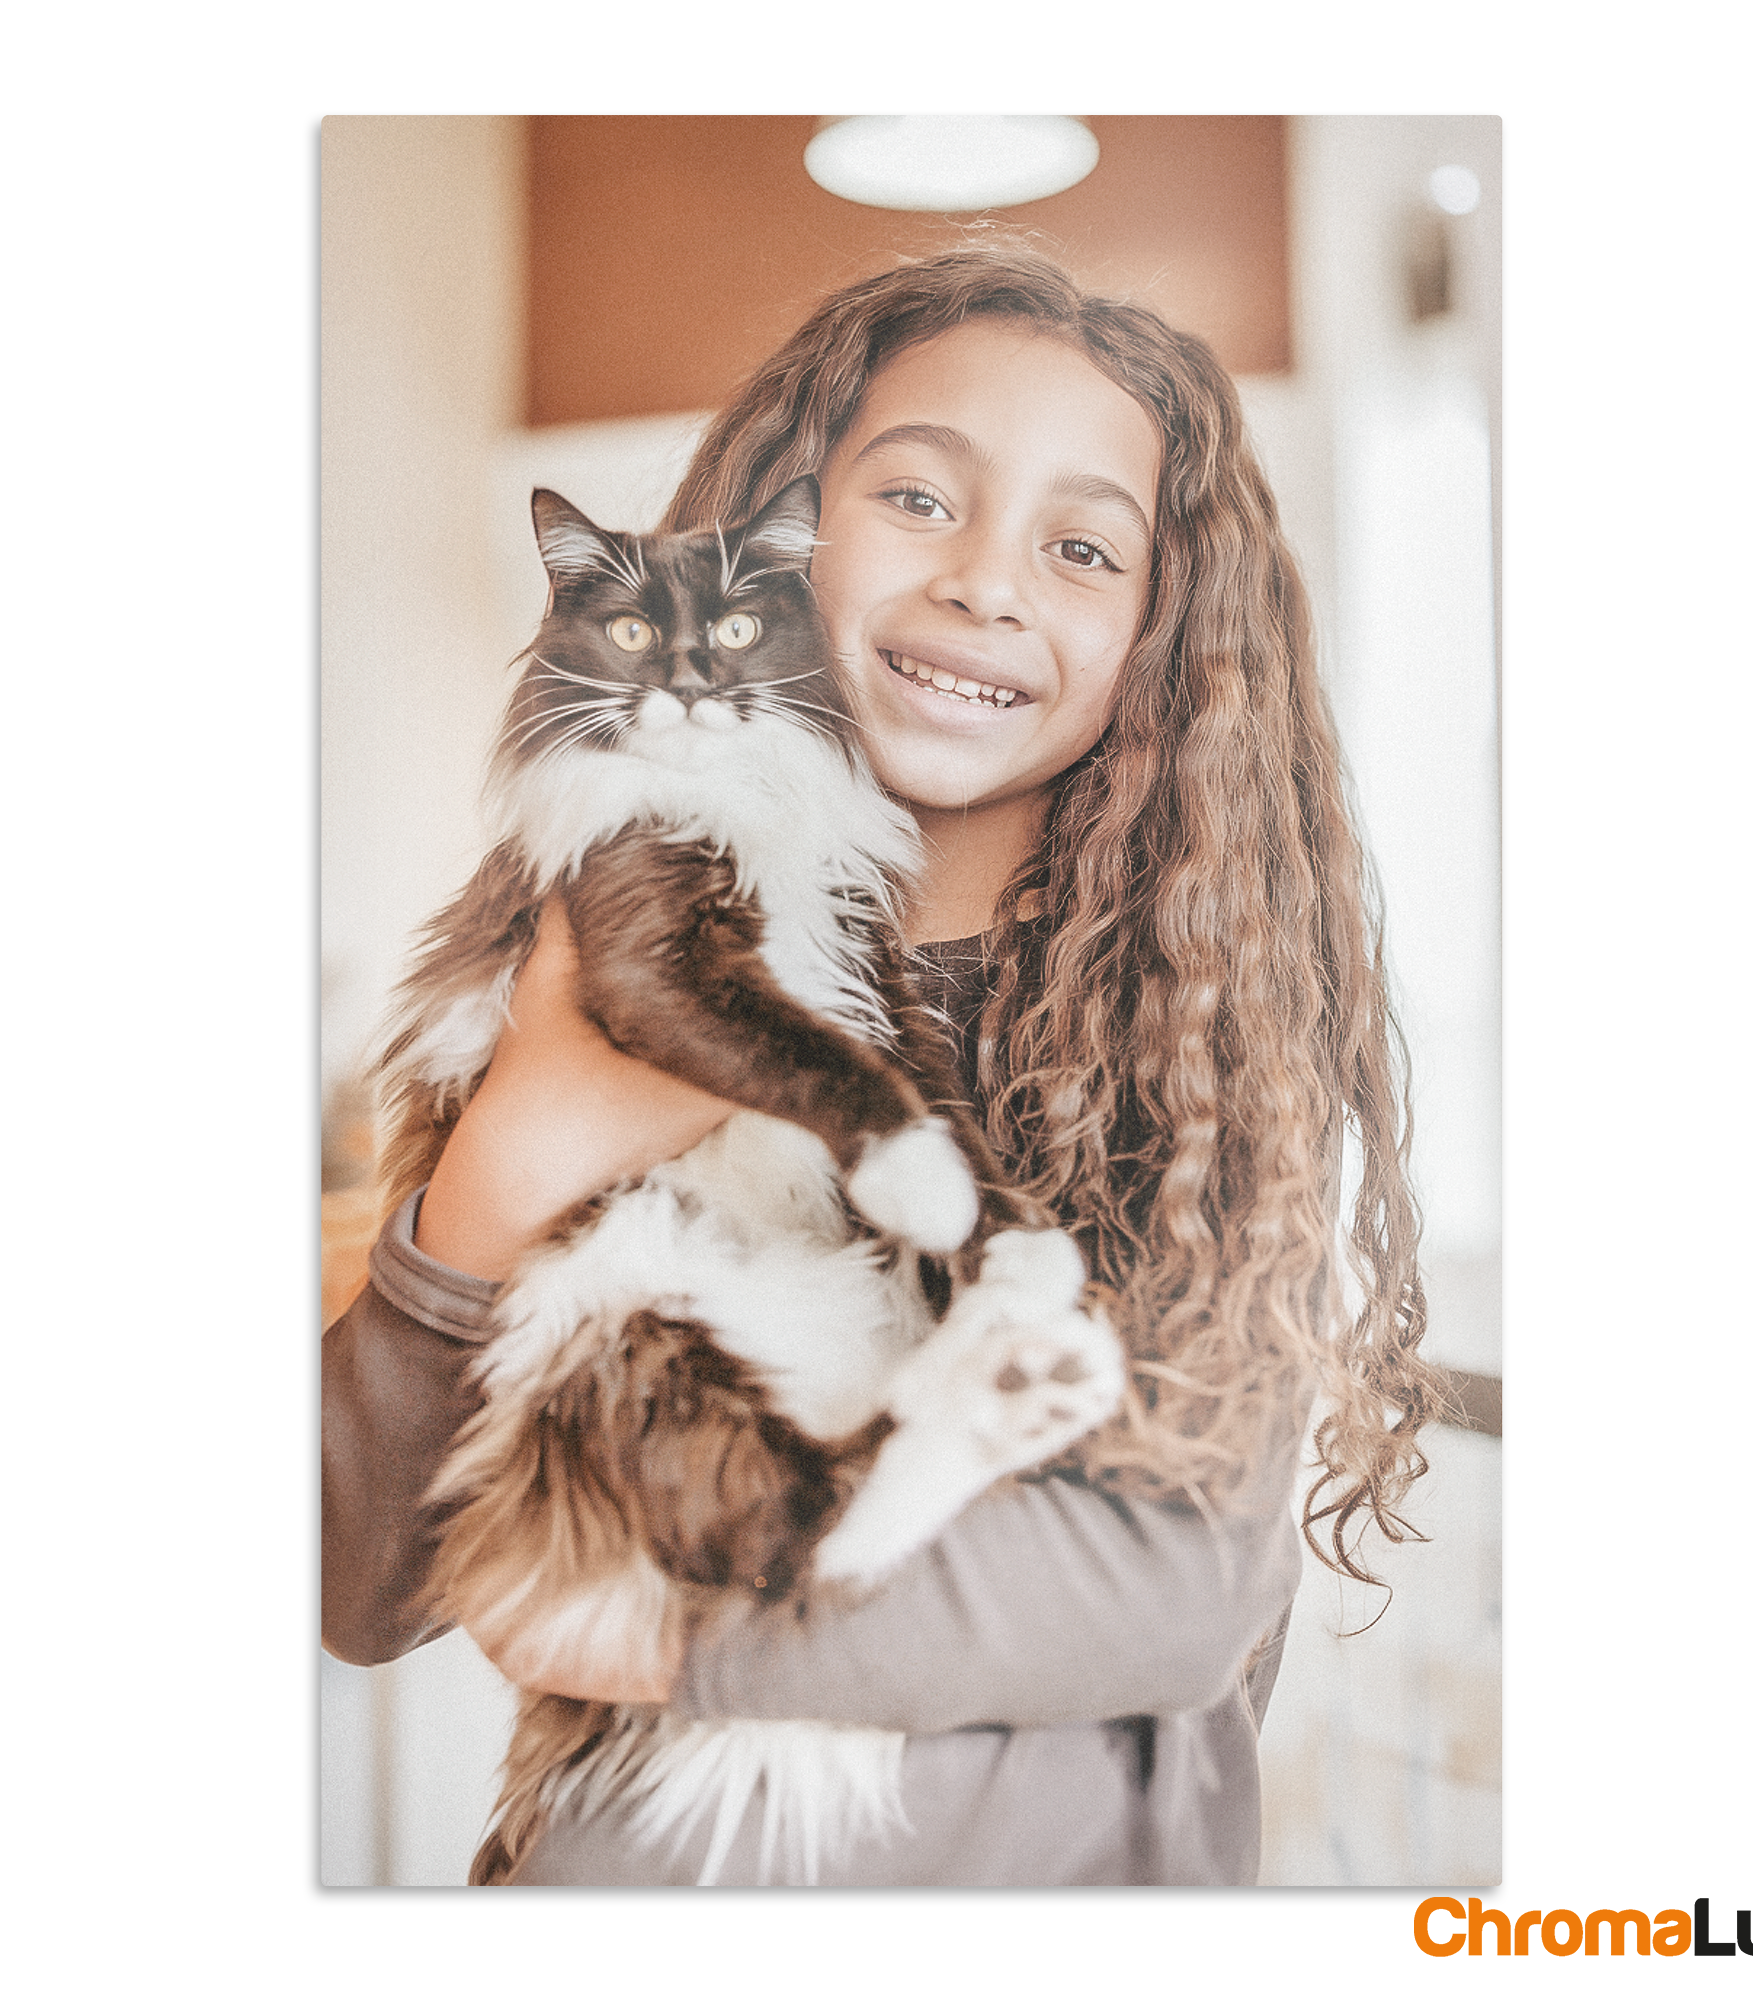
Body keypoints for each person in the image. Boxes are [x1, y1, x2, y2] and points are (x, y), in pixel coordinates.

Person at [321, 244, 1437, 1886]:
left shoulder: (1193, 1045)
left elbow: (1170, 1593)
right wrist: (508, 1156)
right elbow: (362, 1581)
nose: (989, 582)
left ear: (1160, 635)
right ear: (779, 539)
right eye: (918, 499)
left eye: (1079, 546)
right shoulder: (577, 961)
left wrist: (659, 1637)